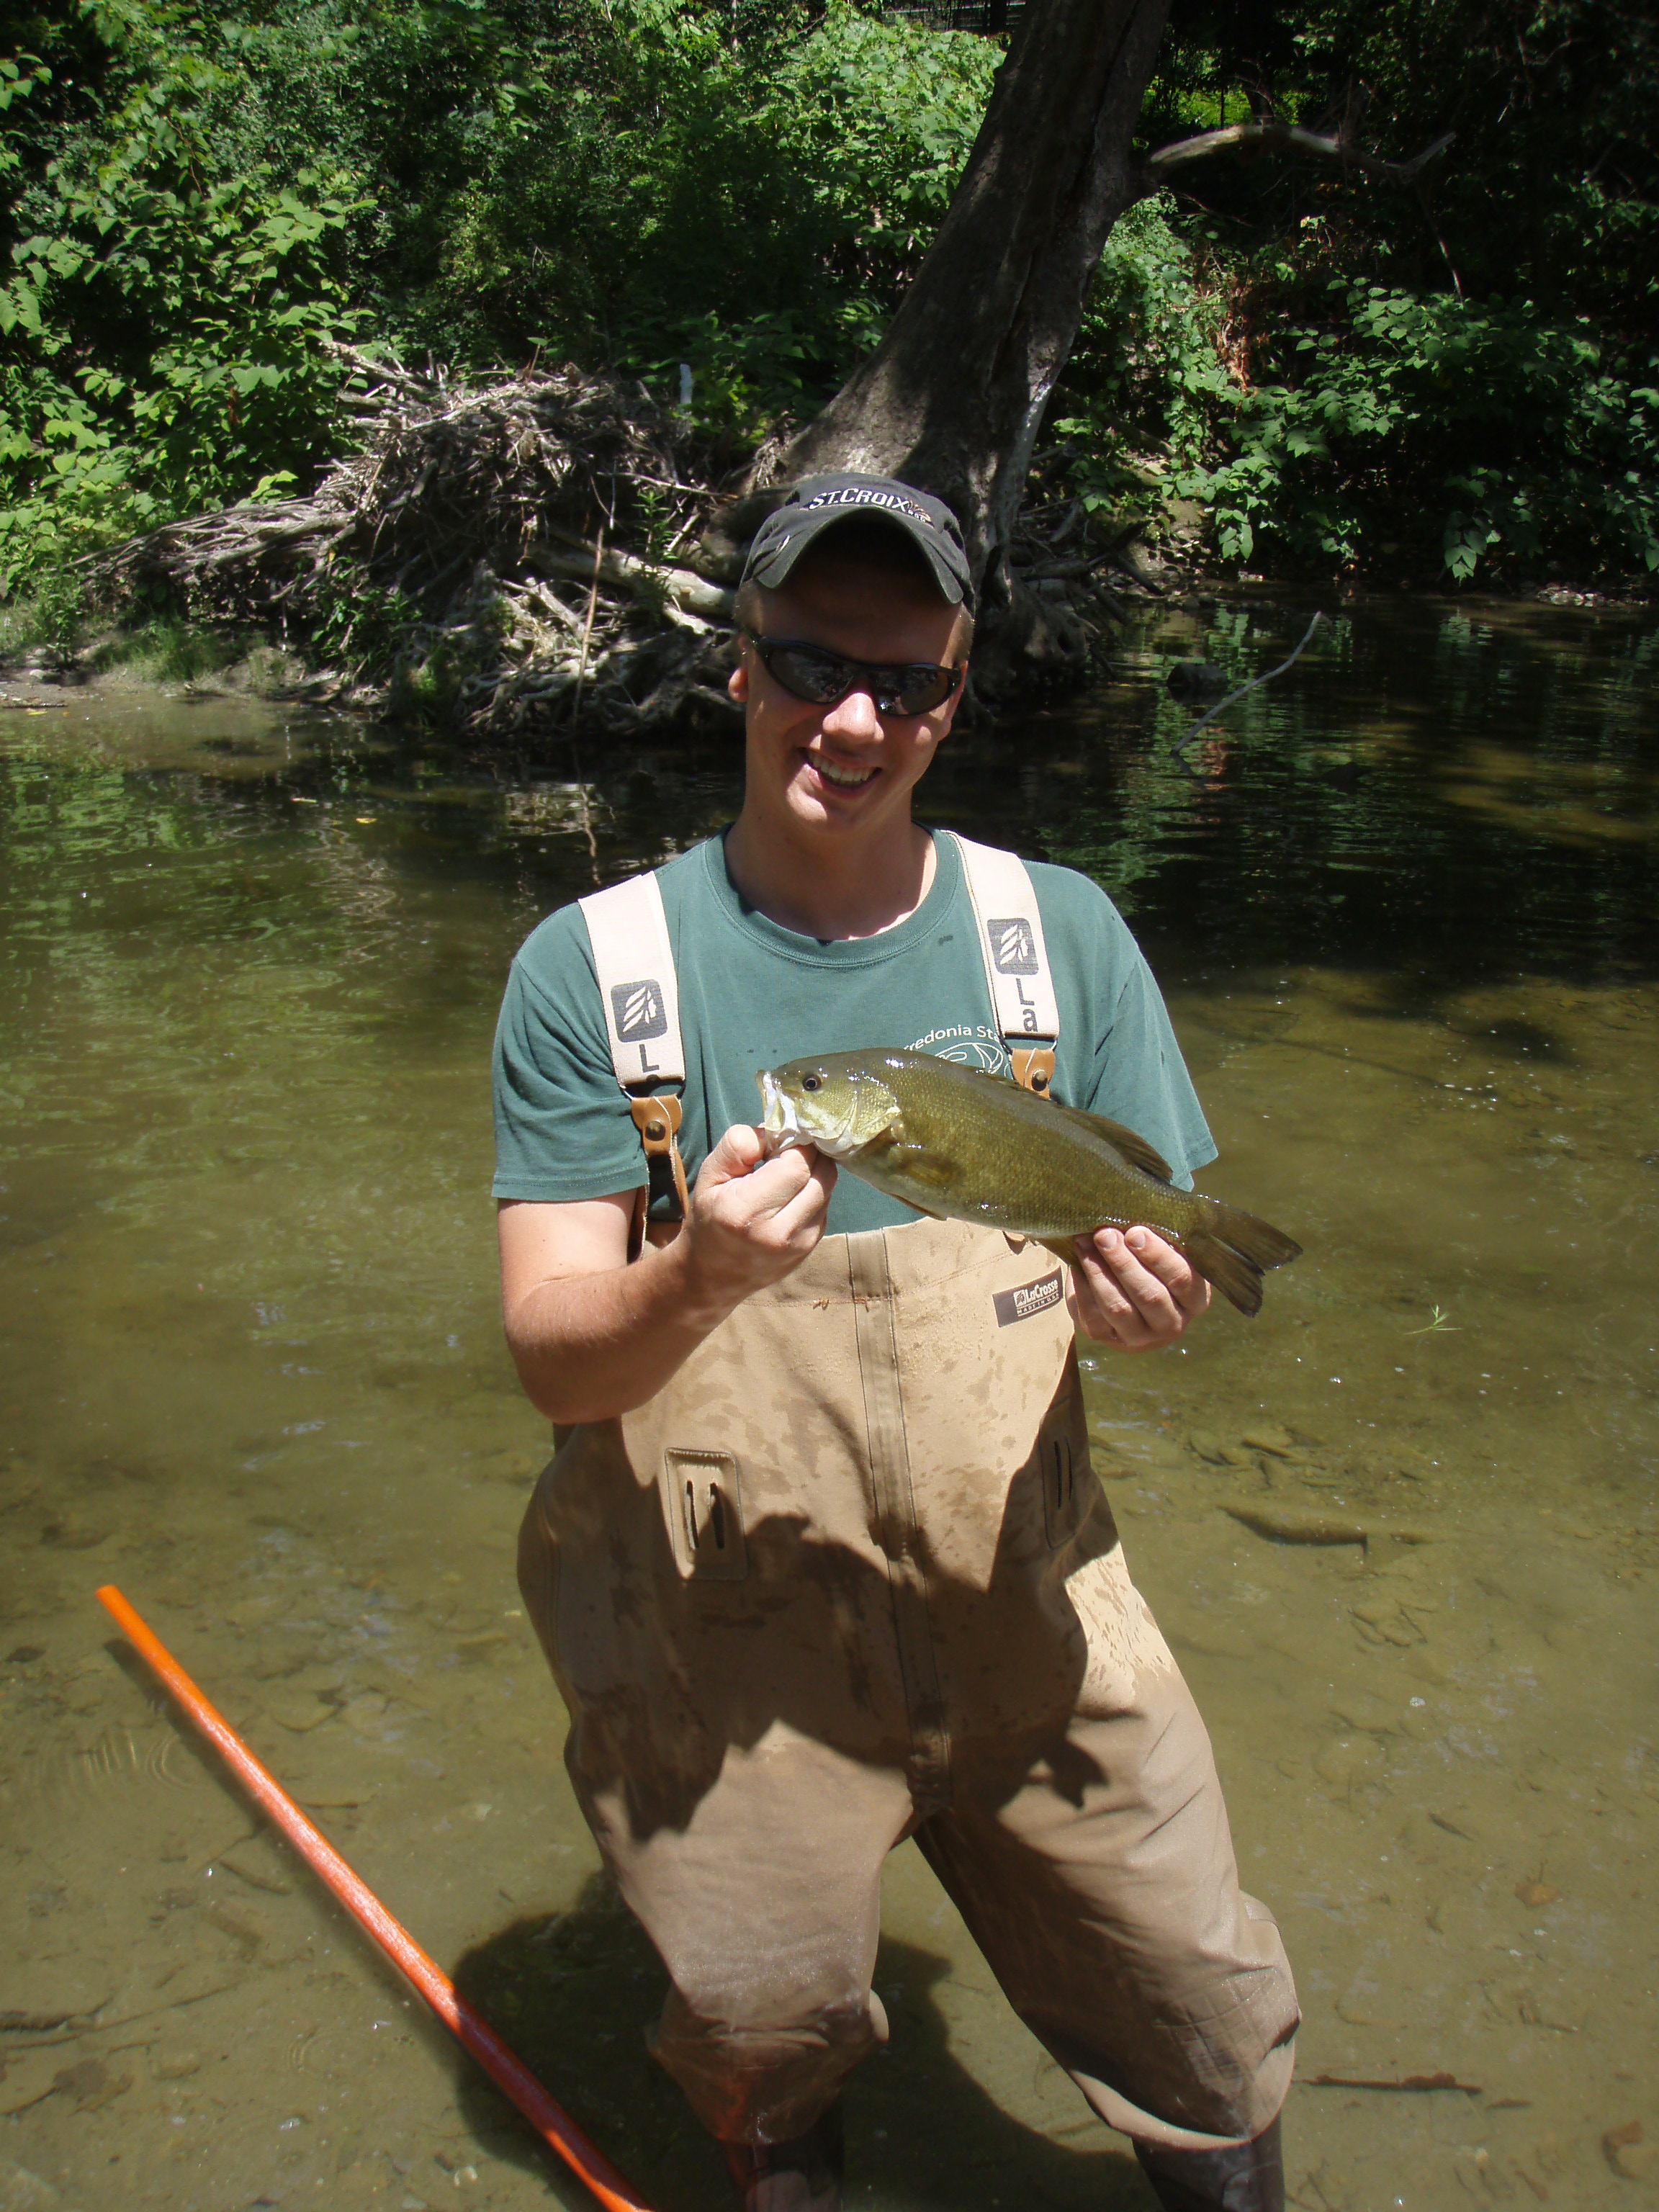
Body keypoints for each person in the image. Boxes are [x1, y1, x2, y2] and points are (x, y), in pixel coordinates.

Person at [493, 472, 1298, 2212]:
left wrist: (1140, 1310)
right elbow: (556, 1362)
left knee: (1204, 2020)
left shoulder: (1057, 936)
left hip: (1035, 1618)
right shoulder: (595, 972)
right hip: (729, 1669)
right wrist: (691, 1274)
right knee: (765, 2059)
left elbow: (1134, 1246)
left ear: (955, 696)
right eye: (806, 662)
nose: (853, 719)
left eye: (907, 682)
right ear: (739, 673)